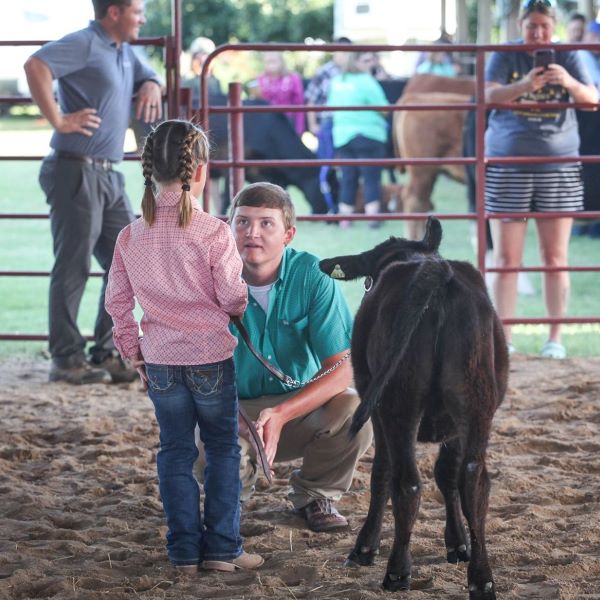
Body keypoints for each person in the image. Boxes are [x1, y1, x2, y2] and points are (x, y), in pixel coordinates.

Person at [105, 119, 263, 574]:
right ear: (199, 172)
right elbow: (233, 297)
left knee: (175, 451)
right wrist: (236, 301)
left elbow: (117, 301)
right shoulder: (213, 232)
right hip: (211, 355)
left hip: (160, 360)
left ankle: (182, 551)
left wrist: (130, 348)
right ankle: (222, 550)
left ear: (149, 168)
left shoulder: (131, 235)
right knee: (222, 450)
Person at [195, 182, 373, 533]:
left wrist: (281, 413)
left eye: (266, 223)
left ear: (288, 234)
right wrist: (229, 414)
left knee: (355, 411)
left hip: (299, 408)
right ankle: (233, 499)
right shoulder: (206, 280)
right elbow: (192, 370)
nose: (252, 233)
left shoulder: (313, 276)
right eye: (243, 222)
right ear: (227, 228)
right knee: (203, 436)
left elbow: (344, 367)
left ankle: (316, 494)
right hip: (230, 406)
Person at [24, 0, 163, 385]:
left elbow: (149, 74)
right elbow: (36, 65)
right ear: (114, 13)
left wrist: (151, 82)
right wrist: (58, 119)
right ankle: (66, 359)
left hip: (108, 173)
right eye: (137, 11)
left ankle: (106, 350)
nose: (143, 18)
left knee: (128, 260)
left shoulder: (124, 51)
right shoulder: (86, 42)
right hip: (74, 168)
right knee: (73, 265)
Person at [484, 0, 598, 359]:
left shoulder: (569, 55)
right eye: (532, 26)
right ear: (521, 26)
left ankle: (555, 340)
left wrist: (566, 81)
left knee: (555, 257)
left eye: (544, 27)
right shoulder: (504, 54)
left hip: (558, 165)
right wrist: (524, 86)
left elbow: (592, 99)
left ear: (554, 27)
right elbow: (487, 96)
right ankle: (505, 340)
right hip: (509, 165)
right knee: (506, 258)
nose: (538, 34)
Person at [327, 51, 389, 228]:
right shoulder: (367, 82)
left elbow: (331, 108)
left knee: (348, 177)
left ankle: (345, 220)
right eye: (366, 60)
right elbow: (383, 108)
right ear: (358, 63)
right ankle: (372, 219)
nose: (370, 64)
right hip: (369, 134)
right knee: (371, 177)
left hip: (343, 136)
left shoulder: (337, 82)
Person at [304, 37, 352, 212]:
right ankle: (326, 205)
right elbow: (311, 99)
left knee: (348, 167)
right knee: (326, 167)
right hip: (329, 122)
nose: (345, 55)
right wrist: (313, 124)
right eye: (341, 51)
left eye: (348, 52)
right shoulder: (324, 72)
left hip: (349, 123)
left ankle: (347, 204)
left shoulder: (355, 73)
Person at [256, 51, 305, 137]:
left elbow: (299, 104)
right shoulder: (260, 79)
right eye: (268, 62)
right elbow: (258, 102)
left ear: (281, 62)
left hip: (288, 120)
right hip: (267, 123)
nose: (271, 65)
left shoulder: (293, 78)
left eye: (273, 61)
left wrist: (299, 129)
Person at [181, 36, 222, 109]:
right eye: (199, 56)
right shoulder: (186, 82)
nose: (203, 59)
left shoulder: (216, 82)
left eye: (206, 55)